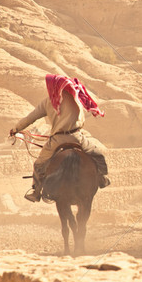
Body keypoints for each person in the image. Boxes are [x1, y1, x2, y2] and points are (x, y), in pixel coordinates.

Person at [10, 74, 110, 202]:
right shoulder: (77, 99)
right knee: (98, 155)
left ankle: (36, 191)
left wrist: (15, 129)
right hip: (77, 137)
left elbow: (30, 118)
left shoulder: (48, 102)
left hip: (57, 140)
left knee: (39, 164)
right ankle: (102, 178)